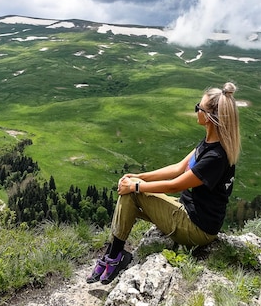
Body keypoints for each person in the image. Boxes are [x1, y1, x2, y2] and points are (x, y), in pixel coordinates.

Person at [87, 82, 241, 284]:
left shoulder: (216, 156)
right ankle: (114, 254)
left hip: (197, 229)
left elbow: (175, 185)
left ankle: (114, 255)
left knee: (131, 193)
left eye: (199, 108)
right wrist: (139, 177)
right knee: (131, 191)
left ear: (210, 117)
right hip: (191, 216)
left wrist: (135, 186)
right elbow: (178, 168)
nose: (196, 111)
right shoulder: (210, 143)